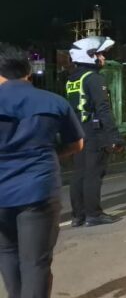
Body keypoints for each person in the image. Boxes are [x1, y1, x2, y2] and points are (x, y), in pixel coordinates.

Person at [0, 43, 84, 297]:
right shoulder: (53, 101)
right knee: (35, 262)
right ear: (28, 72)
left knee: (7, 253)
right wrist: (47, 153)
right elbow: (77, 144)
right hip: (38, 189)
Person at [66, 36, 124, 227]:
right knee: (93, 173)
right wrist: (114, 136)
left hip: (78, 131)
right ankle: (94, 214)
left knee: (79, 173)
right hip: (94, 132)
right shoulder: (94, 79)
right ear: (89, 55)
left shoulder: (73, 79)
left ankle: (78, 215)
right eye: (100, 54)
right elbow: (103, 109)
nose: (103, 58)